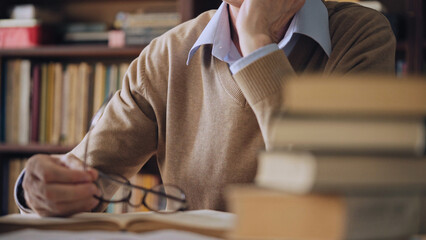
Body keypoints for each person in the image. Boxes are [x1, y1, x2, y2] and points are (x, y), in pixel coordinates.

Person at [15, 0, 395, 216]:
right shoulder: (167, 54)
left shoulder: (362, 36)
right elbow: (85, 172)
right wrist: (36, 189)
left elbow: (331, 195)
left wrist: (256, 41)